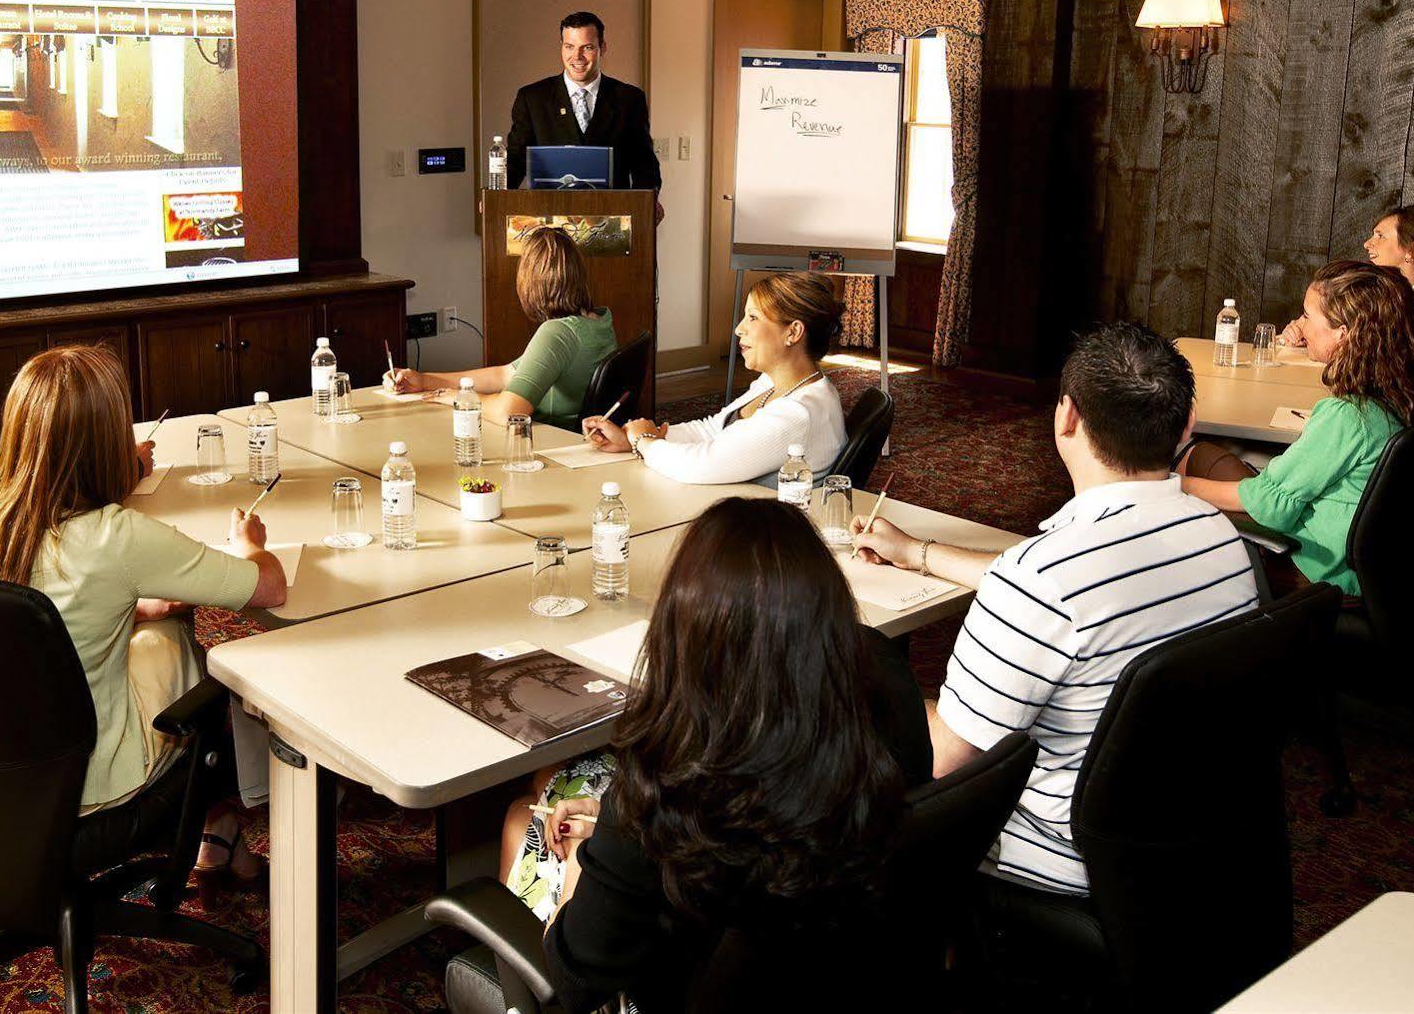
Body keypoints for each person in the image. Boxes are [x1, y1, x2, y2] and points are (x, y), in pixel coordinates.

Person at [852, 322, 1255, 896]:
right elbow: (1060, 594)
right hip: (1191, 838)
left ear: (1065, 417)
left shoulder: (1042, 581)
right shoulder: (1221, 539)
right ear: (1186, 426)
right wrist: (916, 552)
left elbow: (943, 762)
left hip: (1056, 857)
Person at [498, 498, 931, 1011]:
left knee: (522, 819)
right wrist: (613, 832)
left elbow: (573, 980)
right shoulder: (885, 674)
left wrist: (582, 867)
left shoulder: (664, 778)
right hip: (857, 971)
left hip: (681, 986)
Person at [0, 344, 287, 890]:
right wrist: (250, 545)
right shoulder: (116, 536)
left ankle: (218, 832)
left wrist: (127, 609)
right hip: (89, 782)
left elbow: (34, 617)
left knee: (147, 621)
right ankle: (214, 817)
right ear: (107, 440)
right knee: (172, 632)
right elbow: (269, 588)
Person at [1182, 260, 1414, 596]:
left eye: (1307, 316)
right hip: (1397, 564)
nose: (1301, 325)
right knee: (1202, 454)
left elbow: (1270, 507)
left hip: (1321, 571)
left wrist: (1172, 486)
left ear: (1343, 333)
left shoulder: (1350, 416)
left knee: (1185, 491)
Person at [583, 271, 844, 485]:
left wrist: (645, 442)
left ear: (793, 332)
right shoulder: (773, 383)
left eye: (753, 317)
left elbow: (703, 465)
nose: (738, 328)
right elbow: (711, 429)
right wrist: (630, 438)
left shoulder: (799, 414)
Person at [384, 225, 616, 432]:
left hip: (547, 444)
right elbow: (506, 374)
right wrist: (424, 380)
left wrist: (459, 397)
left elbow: (509, 413)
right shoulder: (598, 321)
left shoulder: (558, 333)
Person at [506, 11, 664, 224]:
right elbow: (516, 158)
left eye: (587, 47)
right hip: (551, 222)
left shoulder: (629, 98)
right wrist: (497, 197)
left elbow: (643, 160)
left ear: (602, 48)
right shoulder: (532, 97)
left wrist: (649, 199)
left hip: (611, 221)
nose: (577, 57)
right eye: (569, 47)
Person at [1284, 204, 1414, 366]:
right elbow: (1316, 330)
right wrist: (1300, 331)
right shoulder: (1365, 290)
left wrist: (1355, 341)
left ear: (1413, 249)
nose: (1367, 244)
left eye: (1380, 236)